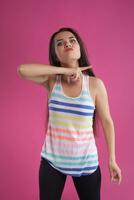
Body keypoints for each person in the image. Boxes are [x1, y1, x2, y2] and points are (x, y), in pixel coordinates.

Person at [17, 27, 122, 200]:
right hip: (52, 163)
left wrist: (112, 159)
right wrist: (64, 71)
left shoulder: (95, 85)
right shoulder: (52, 80)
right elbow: (22, 70)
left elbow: (107, 121)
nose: (67, 43)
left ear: (79, 48)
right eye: (60, 43)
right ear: (56, 55)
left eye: (72, 40)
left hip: (87, 164)